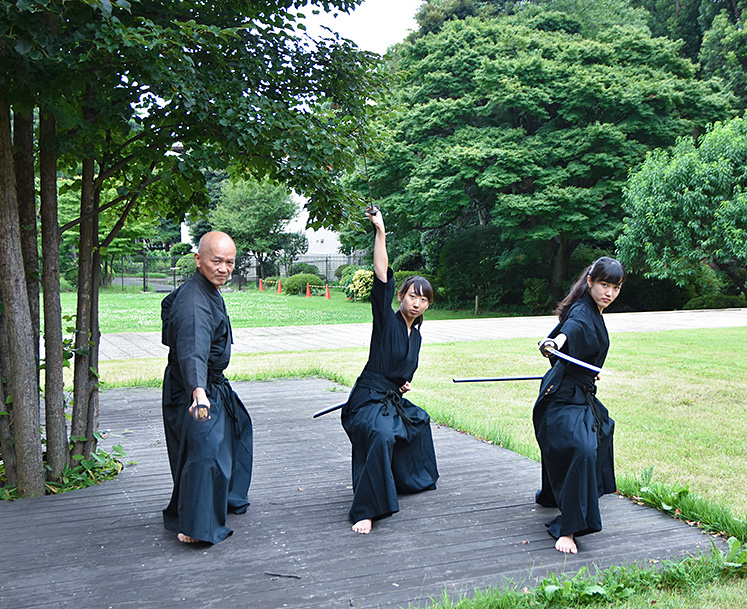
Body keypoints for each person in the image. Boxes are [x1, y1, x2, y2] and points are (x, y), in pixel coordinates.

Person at [341, 207, 439, 534]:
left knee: (420, 420)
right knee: (381, 435)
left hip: (390, 398)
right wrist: (380, 232)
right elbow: (381, 273)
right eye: (412, 296)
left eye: (423, 300)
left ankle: (406, 481)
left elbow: (403, 371)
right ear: (400, 296)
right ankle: (367, 510)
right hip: (367, 399)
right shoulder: (387, 322)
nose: (416, 303)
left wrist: (402, 384)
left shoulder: (418, 335)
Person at [160, 231, 253, 544]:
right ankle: (194, 525)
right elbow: (192, 348)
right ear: (198, 260)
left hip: (208, 384)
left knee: (233, 433)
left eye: (229, 262)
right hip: (193, 388)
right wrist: (198, 391)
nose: (224, 268)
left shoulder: (203, 289)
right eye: (217, 261)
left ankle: (219, 500)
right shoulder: (195, 304)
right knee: (204, 451)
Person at [533, 256, 626, 554]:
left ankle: (557, 494)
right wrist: (555, 343)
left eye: (615, 287)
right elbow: (568, 331)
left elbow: (584, 343)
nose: (609, 292)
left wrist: (590, 369)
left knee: (602, 431)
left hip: (579, 391)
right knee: (582, 450)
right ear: (590, 282)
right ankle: (568, 529)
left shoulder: (594, 310)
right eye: (604, 284)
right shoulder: (582, 312)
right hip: (559, 396)